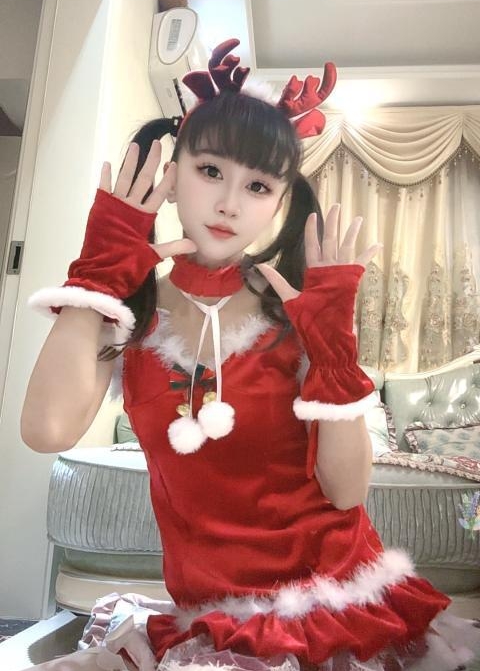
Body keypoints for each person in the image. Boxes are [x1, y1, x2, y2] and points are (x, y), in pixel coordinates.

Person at [22, 40, 480, 671]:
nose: (230, 203)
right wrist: (98, 278)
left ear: (279, 203)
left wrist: (333, 353)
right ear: (173, 174)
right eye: (210, 171)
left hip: (332, 605)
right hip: (211, 614)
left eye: (258, 185)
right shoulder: (128, 314)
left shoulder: (296, 311)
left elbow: (346, 490)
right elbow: (46, 431)